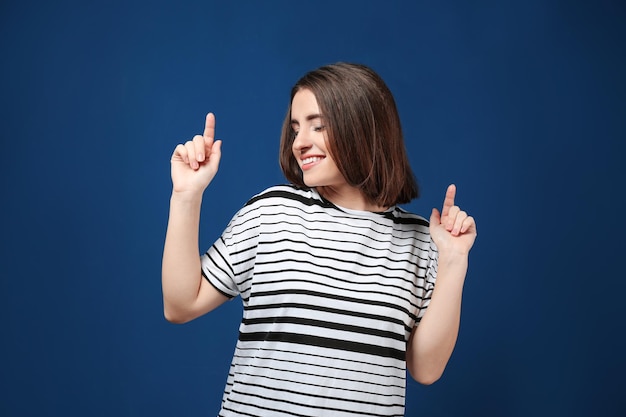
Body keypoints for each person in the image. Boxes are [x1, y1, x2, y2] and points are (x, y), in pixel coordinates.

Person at [162, 62, 477, 417]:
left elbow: (427, 369)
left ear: (364, 129)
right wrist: (186, 196)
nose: (300, 143)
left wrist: (453, 262)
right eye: (296, 128)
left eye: (319, 125)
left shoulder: (419, 241)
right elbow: (180, 305)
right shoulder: (271, 212)